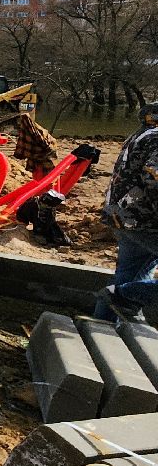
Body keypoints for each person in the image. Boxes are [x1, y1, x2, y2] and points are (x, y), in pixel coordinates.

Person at [97, 103, 158, 326]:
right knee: (125, 287)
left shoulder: (142, 134)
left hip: (123, 216)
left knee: (128, 274)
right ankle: (126, 295)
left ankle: (100, 327)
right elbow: (154, 179)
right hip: (146, 220)